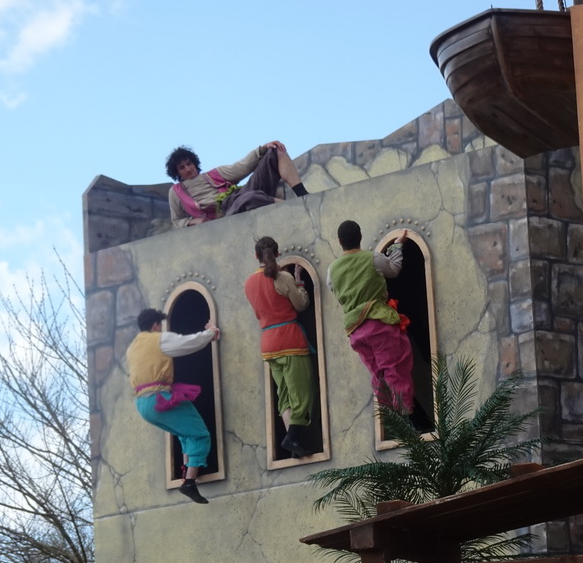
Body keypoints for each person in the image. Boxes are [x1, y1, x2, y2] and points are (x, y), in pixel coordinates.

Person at [126, 308, 221, 504]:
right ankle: (189, 483)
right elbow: (188, 343)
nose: (161, 329)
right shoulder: (158, 339)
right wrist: (211, 332)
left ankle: (188, 473)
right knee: (199, 434)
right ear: (155, 325)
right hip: (159, 398)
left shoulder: (133, 347)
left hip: (142, 404)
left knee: (184, 433)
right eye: (160, 325)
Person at [327, 221, 413, 412]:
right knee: (394, 369)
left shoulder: (331, 270)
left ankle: (390, 421)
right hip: (378, 324)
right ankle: (406, 420)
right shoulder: (372, 258)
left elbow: (334, 288)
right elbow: (394, 268)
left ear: (339, 241)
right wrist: (397, 245)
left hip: (355, 331)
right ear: (360, 236)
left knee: (377, 374)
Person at [243, 237, 316, 458]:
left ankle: (295, 444)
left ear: (256, 256)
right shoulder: (281, 277)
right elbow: (301, 304)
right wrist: (299, 282)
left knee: (284, 394)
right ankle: (292, 437)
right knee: (302, 394)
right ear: (277, 252)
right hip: (290, 340)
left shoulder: (248, 283)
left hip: (268, 343)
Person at [165, 142, 310, 229]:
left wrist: (262, 149)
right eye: (182, 167)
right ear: (177, 172)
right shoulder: (176, 192)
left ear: (194, 163)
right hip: (225, 215)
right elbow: (176, 222)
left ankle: (304, 196)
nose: (188, 168)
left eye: (189, 163)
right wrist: (193, 221)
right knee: (249, 198)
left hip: (239, 196)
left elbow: (242, 166)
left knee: (274, 151)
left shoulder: (213, 174)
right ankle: (294, 208)